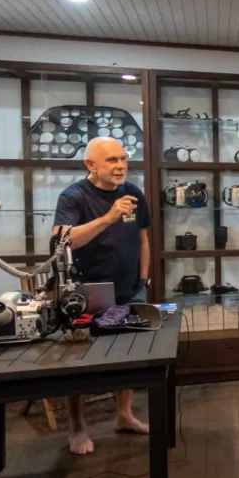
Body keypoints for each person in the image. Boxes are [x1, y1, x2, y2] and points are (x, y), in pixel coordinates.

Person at [52, 137, 152, 455]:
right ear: (90, 165)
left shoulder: (133, 192)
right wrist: (108, 217)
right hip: (87, 291)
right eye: (111, 160)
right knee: (80, 362)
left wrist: (143, 277)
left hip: (129, 287)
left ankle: (124, 415)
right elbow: (63, 240)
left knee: (128, 353)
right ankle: (78, 428)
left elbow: (142, 237)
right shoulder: (73, 196)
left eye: (123, 158)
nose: (120, 165)